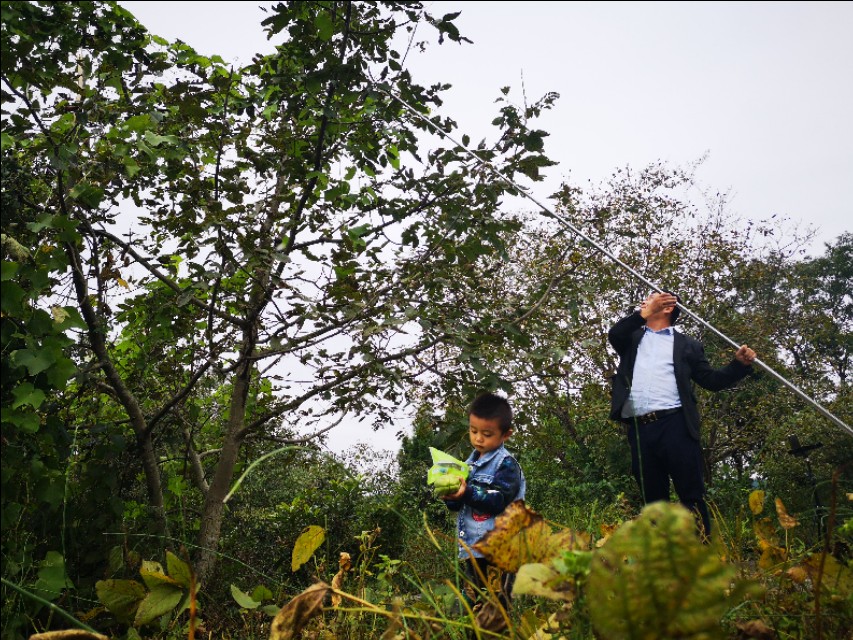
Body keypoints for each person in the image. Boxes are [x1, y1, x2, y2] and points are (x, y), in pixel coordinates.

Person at [608, 291, 756, 541]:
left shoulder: (688, 345)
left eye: (651, 299)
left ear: (667, 307)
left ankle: (701, 554)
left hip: (676, 424)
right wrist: (644, 312)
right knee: (653, 501)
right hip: (640, 429)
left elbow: (711, 380)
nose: (645, 302)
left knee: (691, 494)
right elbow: (615, 334)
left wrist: (738, 365)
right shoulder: (632, 338)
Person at [441, 392, 526, 611]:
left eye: (487, 434)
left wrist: (467, 493)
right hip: (473, 547)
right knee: (474, 597)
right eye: (473, 431)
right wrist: (452, 497)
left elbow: (498, 500)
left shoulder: (507, 465)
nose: (478, 439)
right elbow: (460, 506)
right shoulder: (466, 466)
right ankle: (468, 623)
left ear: (506, 434)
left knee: (499, 602)